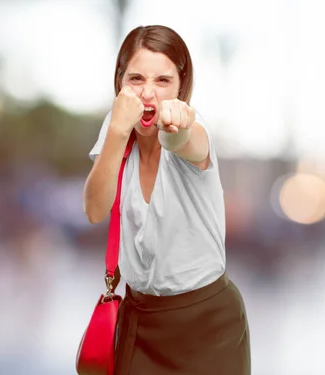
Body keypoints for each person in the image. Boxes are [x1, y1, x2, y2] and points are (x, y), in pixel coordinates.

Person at [83, 25, 251, 375]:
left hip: (208, 325)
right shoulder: (117, 128)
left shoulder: (189, 124)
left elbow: (187, 142)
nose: (148, 94)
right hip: (140, 323)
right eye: (136, 79)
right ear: (119, 81)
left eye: (163, 81)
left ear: (180, 85)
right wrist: (116, 131)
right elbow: (95, 209)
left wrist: (178, 129)